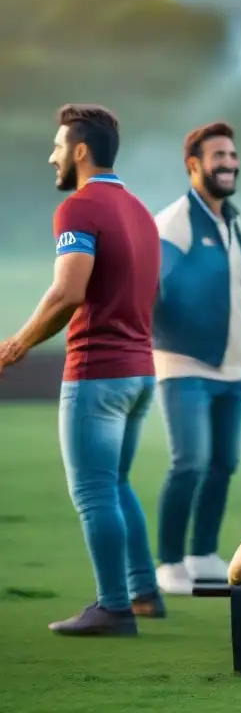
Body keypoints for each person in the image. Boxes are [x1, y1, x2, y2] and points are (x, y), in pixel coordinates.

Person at [0, 104, 164, 635]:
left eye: (56, 146)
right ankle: (143, 594)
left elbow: (68, 292)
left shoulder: (78, 209)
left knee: (94, 493)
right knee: (116, 484)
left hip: (98, 373)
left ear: (80, 150)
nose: (51, 156)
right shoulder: (140, 211)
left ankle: (113, 608)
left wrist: (18, 343)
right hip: (141, 372)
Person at [151, 121, 241, 595]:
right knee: (190, 463)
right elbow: (150, 293)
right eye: (219, 156)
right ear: (193, 166)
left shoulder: (234, 220)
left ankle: (202, 554)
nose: (229, 163)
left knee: (223, 463)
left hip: (233, 369)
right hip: (184, 366)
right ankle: (169, 564)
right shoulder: (174, 222)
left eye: (233, 155)